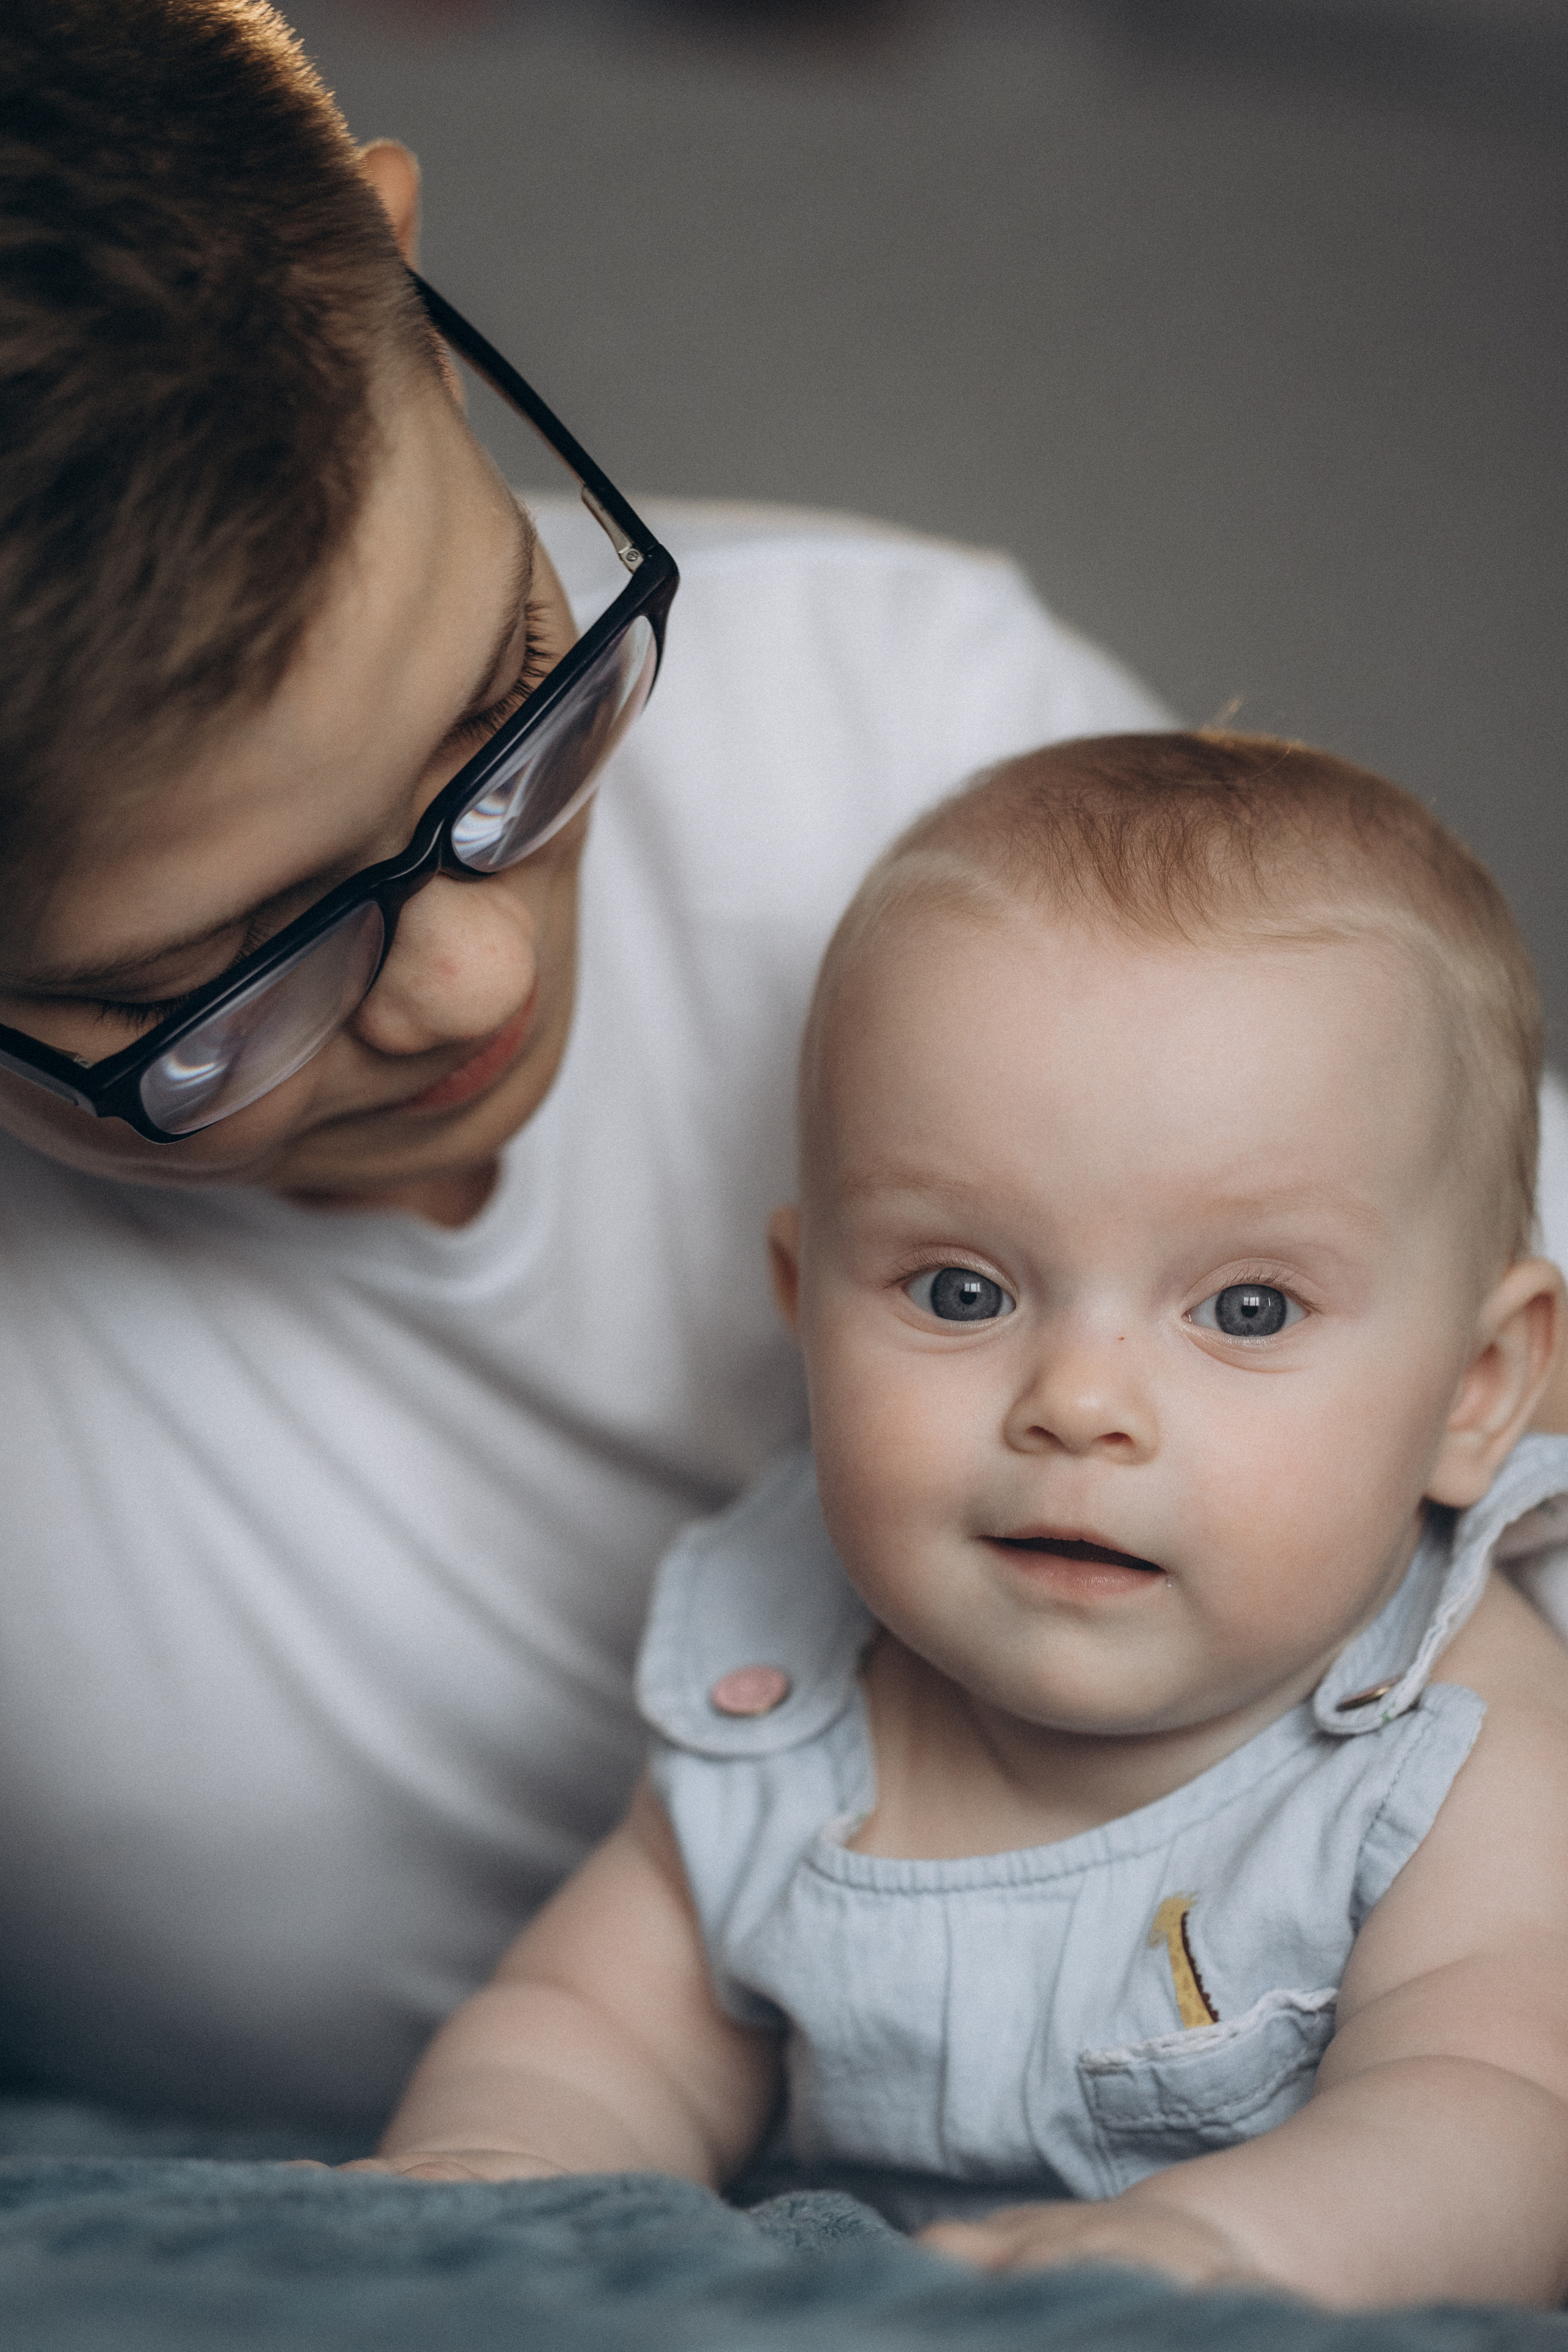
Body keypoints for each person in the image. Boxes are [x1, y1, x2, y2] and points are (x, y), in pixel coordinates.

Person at [0, 0, 1180, 2138]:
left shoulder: (934, 755)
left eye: (511, 708)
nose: (462, 981)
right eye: (212, 974)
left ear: (404, 297)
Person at [363, 733, 1568, 2310]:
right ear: (805, 1314)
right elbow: (593, 2025)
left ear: (1473, 1388)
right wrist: (498, 2171)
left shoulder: (1449, 1737)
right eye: (959, 1291)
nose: (1077, 1401)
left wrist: (1230, 2246)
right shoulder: (782, 1700)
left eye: (1248, 1307)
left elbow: (1502, 2114)